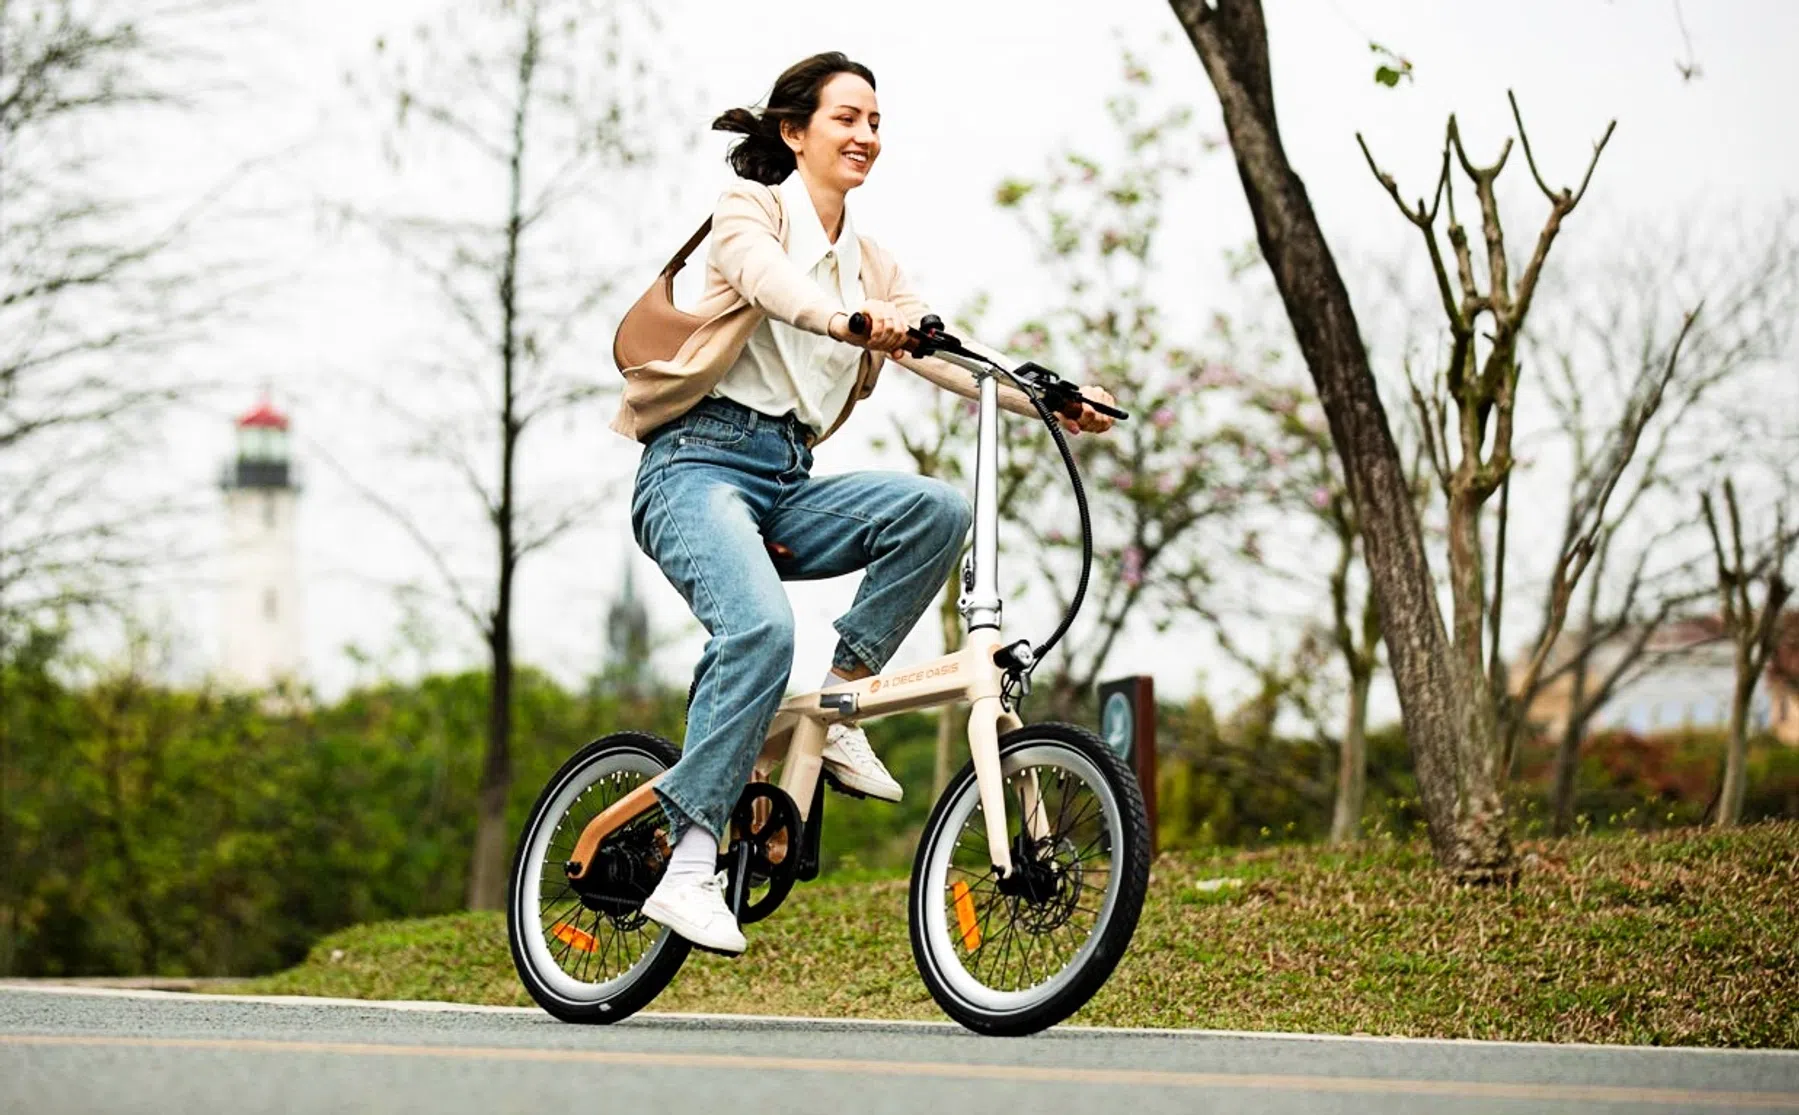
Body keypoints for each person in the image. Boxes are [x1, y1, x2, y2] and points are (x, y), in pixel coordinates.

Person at [614, 52, 1117, 954]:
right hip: (693, 467)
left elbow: (938, 351)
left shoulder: (871, 260)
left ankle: (842, 704)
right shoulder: (750, 211)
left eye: (875, 122)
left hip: (785, 478)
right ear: (793, 131)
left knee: (934, 510)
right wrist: (848, 322)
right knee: (760, 632)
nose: (865, 136)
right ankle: (688, 864)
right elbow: (773, 284)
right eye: (847, 118)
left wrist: (1044, 399)